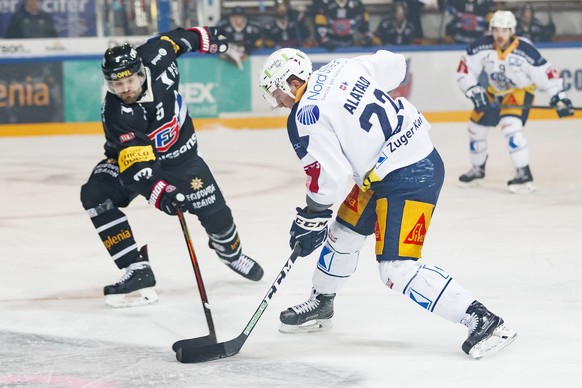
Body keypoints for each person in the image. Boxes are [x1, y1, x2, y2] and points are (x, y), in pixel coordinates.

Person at [258, 48, 517, 359]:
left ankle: (484, 321)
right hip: (391, 167)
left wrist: (311, 216)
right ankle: (322, 302)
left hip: (411, 176)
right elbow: (395, 66)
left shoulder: (304, 116)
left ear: (291, 81)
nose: (279, 102)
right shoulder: (342, 66)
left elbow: (330, 178)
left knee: (397, 268)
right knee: (342, 233)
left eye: (277, 92)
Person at [80, 27, 264, 308]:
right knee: (95, 193)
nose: (125, 89)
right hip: (138, 164)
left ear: (141, 72)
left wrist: (203, 38)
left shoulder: (158, 56)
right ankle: (136, 268)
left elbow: (177, 40)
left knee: (217, 217)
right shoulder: (117, 113)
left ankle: (230, 253)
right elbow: (135, 166)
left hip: (184, 160)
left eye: (129, 80)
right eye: (117, 85)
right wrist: (160, 192)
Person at [456, 10, 574, 193]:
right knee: (475, 128)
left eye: (504, 30)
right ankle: (477, 171)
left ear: (512, 30)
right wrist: (473, 90)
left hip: (520, 91)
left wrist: (558, 95)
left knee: (510, 125)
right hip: (494, 91)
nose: (499, 35)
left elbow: (547, 74)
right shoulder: (481, 47)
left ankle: (523, 173)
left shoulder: (525, 51)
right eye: (496, 30)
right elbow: (465, 70)